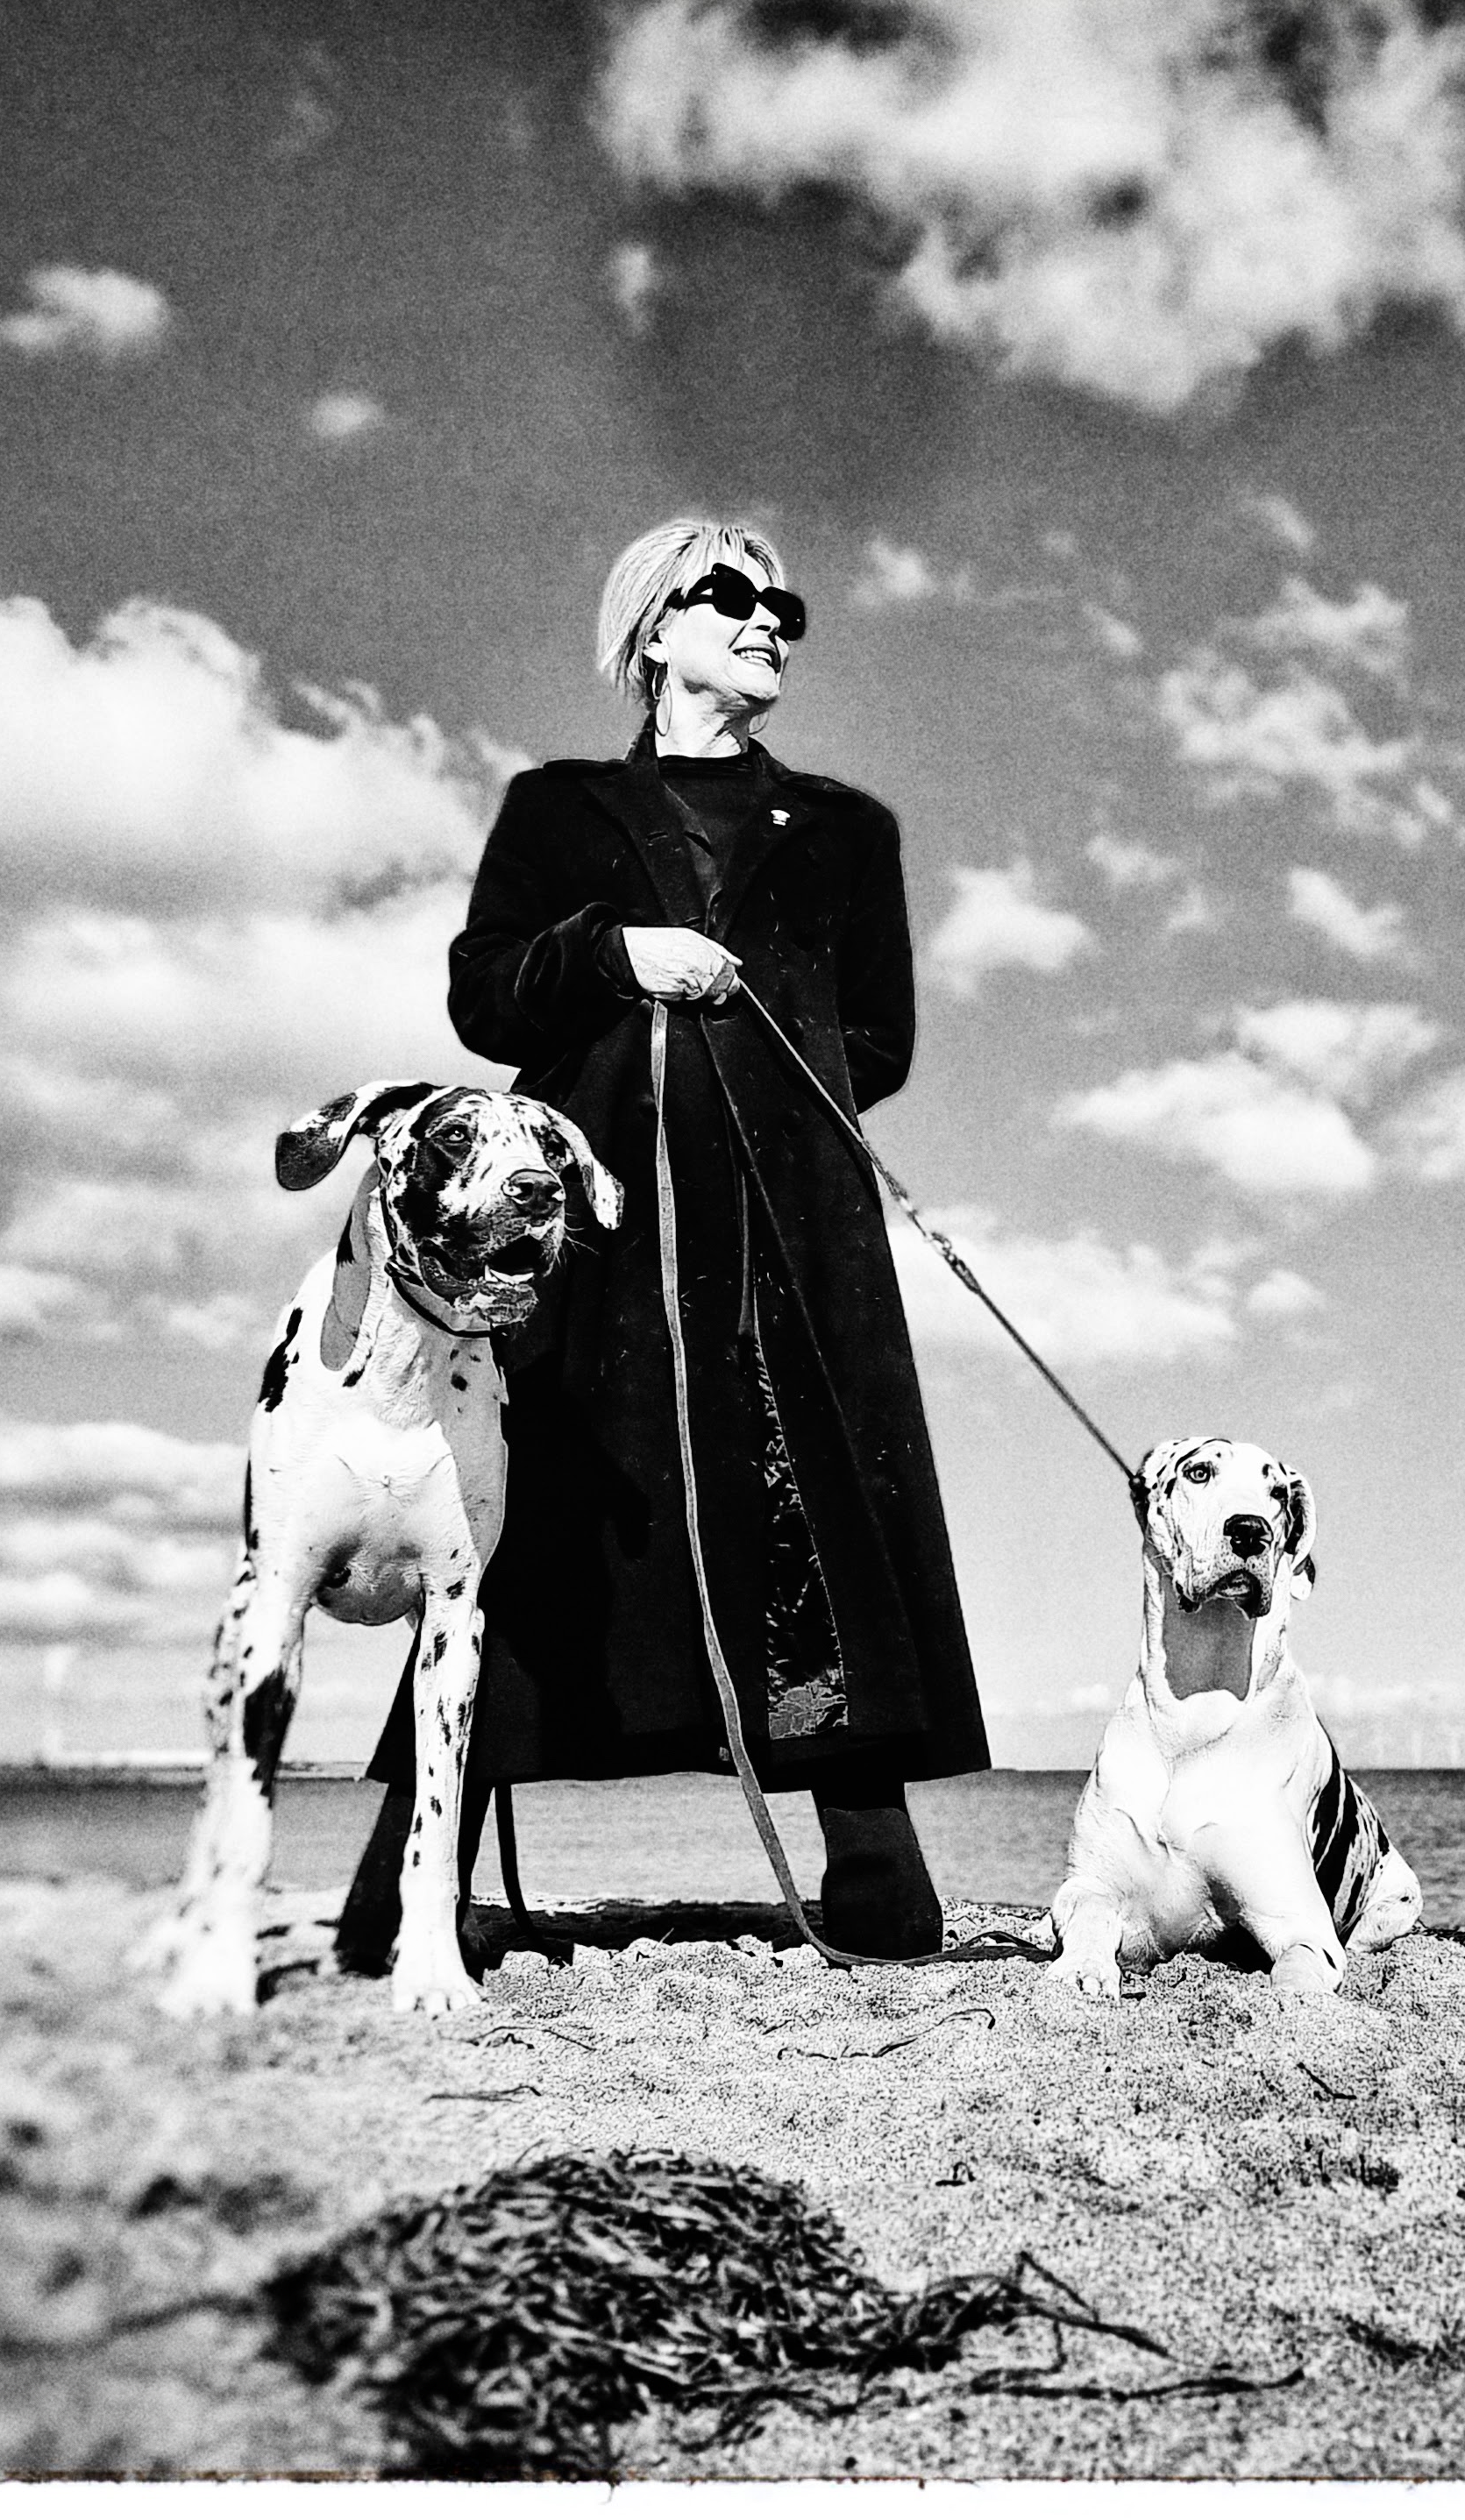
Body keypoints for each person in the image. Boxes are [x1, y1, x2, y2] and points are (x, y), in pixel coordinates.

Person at [332, 515, 988, 1968]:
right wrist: (615, 957)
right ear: (651, 632)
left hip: (787, 1235)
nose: (767, 622)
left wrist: (751, 1061)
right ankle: (406, 1882)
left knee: (809, 1507)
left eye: (784, 607)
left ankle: (871, 1860)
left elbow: (876, 1041)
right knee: (531, 1515)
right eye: (730, 595)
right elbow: (485, 999)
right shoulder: (557, 808)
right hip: (588, 1234)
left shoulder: (848, 828)